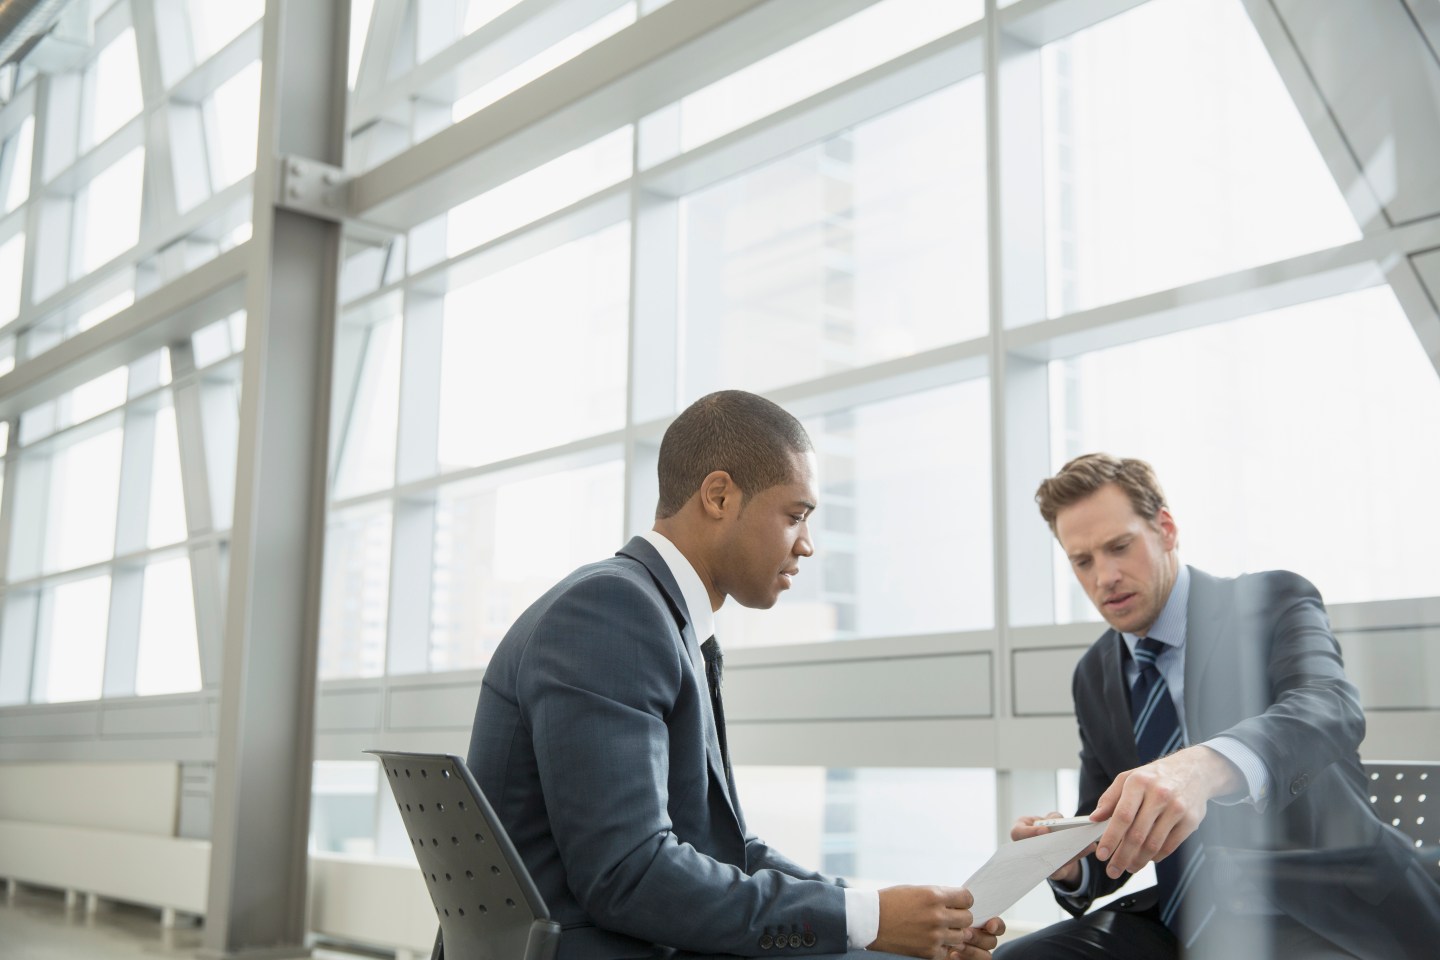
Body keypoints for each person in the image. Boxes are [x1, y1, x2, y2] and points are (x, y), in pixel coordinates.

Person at [466, 390, 1005, 960]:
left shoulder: (659, 616)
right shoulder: (611, 613)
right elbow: (629, 875)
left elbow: (727, 851)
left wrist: (882, 914)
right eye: (795, 515)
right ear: (720, 496)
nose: (807, 544)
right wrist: (867, 922)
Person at [996, 454, 1440, 960]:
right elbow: (1104, 823)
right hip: (1182, 916)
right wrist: (1068, 862)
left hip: (1317, 905)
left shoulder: (1271, 599)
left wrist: (1203, 767)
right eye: (1083, 561)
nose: (1106, 576)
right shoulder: (1094, 672)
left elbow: (1328, 707)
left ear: (1165, 529)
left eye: (1120, 547)